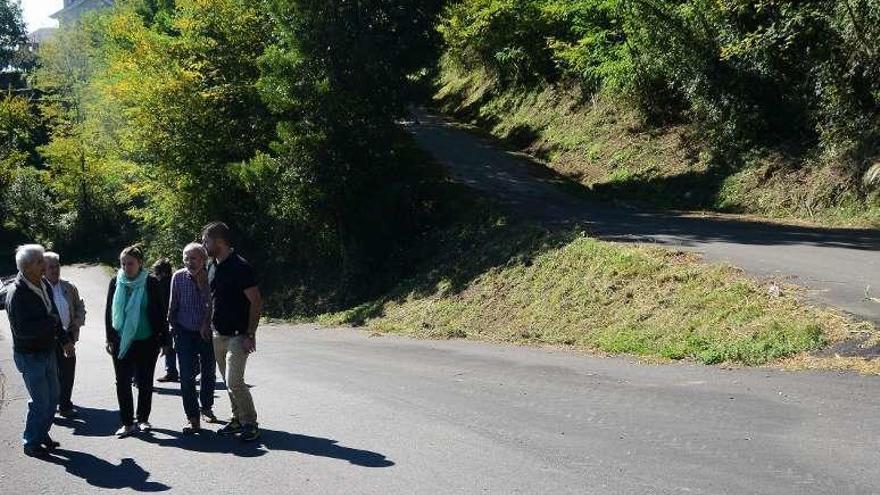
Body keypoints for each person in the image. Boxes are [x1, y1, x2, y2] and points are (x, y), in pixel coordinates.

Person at [6, 245, 75, 457]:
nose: (44, 264)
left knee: (54, 396)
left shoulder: (42, 282)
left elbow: (52, 312)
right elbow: (23, 330)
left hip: (47, 350)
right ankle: (30, 442)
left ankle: (41, 433)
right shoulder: (17, 294)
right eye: (39, 262)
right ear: (27, 267)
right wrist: (50, 323)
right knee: (40, 401)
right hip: (30, 356)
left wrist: (64, 340)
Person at [202, 222, 262, 441]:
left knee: (234, 381)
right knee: (228, 382)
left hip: (239, 334)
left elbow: (255, 301)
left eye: (206, 241)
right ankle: (236, 419)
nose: (203, 245)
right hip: (218, 333)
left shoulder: (240, 266)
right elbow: (212, 299)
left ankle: (251, 423)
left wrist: (250, 333)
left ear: (219, 242)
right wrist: (205, 323)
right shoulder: (211, 266)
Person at [105, 245, 171, 438]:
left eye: (130, 263)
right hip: (121, 340)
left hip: (147, 340)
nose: (126, 267)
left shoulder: (150, 282)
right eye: (123, 263)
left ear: (140, 263)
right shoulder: (115, 282)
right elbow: (109, 311)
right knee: (122, 382)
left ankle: (142, 419)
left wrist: (165, 340)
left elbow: (160, 311)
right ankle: (127, 423)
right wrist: (109, 337)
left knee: (145, 382)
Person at [168, 243, 217, 434]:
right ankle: (192, 418)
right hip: (184, 331)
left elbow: (212, 304)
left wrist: (206, 323)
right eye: (186, 258)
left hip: (206, 331)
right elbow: (173, 305)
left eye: (194, 258)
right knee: (186, 376)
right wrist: (172, 329)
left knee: (208, 372)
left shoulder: (211, 276)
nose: (189, 262)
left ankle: (206, 407)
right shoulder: (178, 277)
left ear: (203, 260)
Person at [44, 252, 86, 418]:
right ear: (43, 269)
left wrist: (77, 321)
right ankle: (50, 404)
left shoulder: (68, 287)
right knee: (50, 373)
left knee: (68, 370)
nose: (55, 270)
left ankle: (65, 405)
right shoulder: (39, 288)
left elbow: (80, 306)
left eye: (57, 266)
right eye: (50, 267)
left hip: (67, 335)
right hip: (47, 338)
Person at [152, 258, 178, 383]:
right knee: (174, 346)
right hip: (177, 318)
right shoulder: (175, 280)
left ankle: (171, 371)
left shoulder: (161, 284)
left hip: (167, 318)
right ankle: (174, 370)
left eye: (156, 273)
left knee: (168, 346)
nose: (155, 276)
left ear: (162, 272)